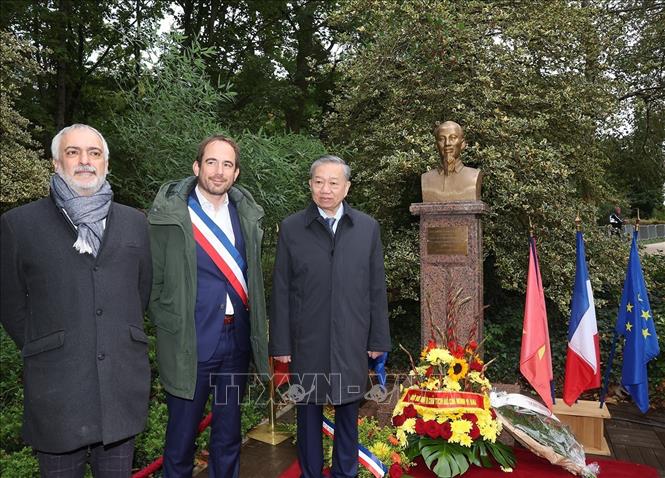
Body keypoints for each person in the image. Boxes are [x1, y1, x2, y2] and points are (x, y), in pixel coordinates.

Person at [0, 124, 152, 477]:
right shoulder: (18, 225)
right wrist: (47, 344)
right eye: (73, 152)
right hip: (57, 391)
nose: (85, 161)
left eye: (94, 153)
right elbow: (10, 303)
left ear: (106, 164)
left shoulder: (134, 223)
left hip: (119, 390)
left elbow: (140, 292)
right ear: (56, 163)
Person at [148, 134, 268, 478]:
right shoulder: (172, 215)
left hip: (235, 343)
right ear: (197, 166)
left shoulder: (246, 215)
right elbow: (152, 281)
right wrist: (169, 322)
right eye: (212, 162)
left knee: (228, 437)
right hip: (190, 341)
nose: (219, 171)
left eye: (227, 164)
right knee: (181, 439)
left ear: (236, 173)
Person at [270, 155, 392, 478]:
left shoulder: (366, 228)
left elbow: (376, 288)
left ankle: (345, 473)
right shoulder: (293, 228)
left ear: (347, 187)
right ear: (310, 185)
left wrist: (378, 339)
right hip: (306, 340)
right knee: (307, 416)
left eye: (333, 182)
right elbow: (280, 290)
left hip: (352, 338)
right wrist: (280, 343)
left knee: (348, 416)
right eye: (319, 182)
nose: (326, 189)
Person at [421, 120, 482, 202]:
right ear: (436, 145)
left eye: (452, 138)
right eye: (442, 139)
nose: (447, 143)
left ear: (463, 144)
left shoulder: (473, 176)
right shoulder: (426, 179)